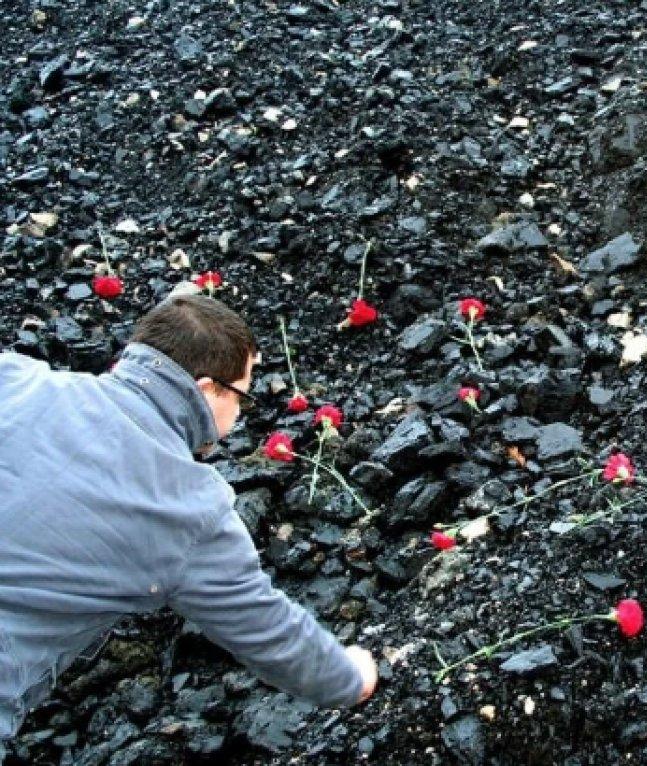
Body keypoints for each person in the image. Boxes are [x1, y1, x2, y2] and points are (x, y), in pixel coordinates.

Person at [0, 295, 376, 759]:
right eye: (242, 394)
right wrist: (349, 679)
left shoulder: (14, 377)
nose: (241, 414)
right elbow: (267, 630)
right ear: (207, 389)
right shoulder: (186, 508)